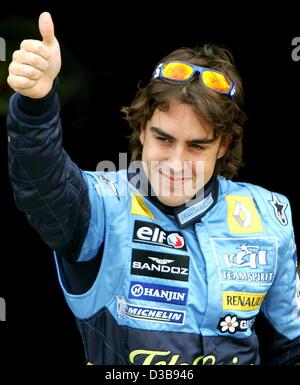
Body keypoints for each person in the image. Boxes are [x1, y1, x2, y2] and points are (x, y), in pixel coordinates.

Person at [6, 12, 300, 365]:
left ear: (223, 146)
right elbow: (42, 185)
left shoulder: (270, 215)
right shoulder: (104, 204)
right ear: (142, 129)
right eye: (164, 138)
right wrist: (36, 105)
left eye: (197, 146)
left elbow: (292, 346)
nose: (176, 162)